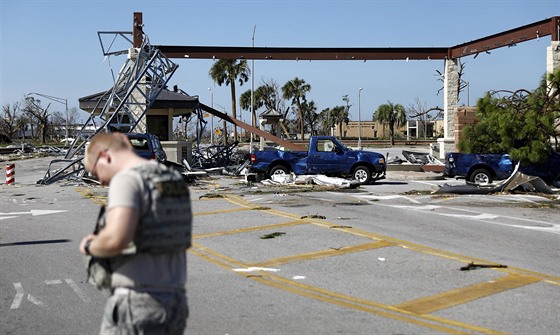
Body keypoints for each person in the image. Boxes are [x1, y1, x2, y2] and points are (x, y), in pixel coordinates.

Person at [79, 132, 192, 335]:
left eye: (96, 172)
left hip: (137, 304)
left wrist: (89, 245)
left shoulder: (127, 179)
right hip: (175, 302)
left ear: (105, 156)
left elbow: (116, 240)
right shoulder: (172, 177)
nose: (101, 181)